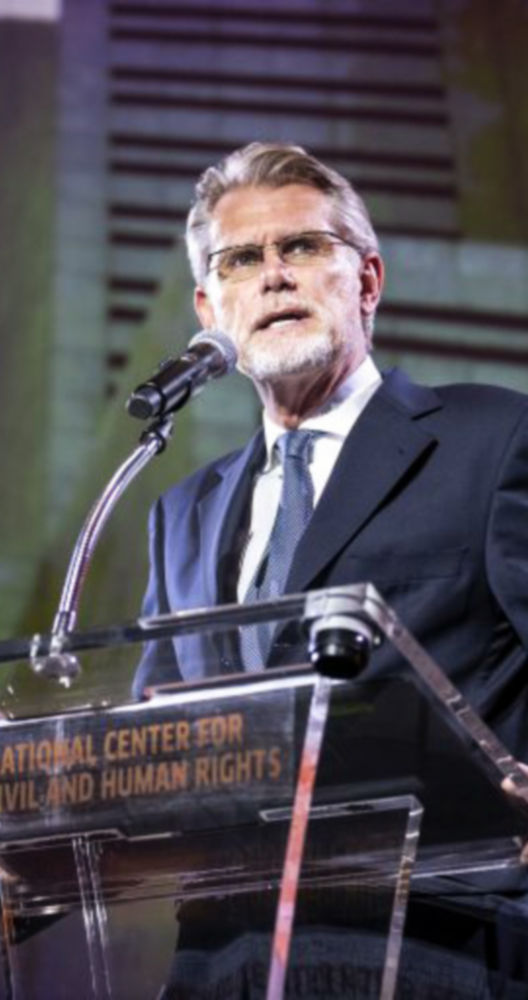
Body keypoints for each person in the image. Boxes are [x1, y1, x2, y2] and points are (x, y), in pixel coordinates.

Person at [133, 142, 528, 997]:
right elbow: (149, 757)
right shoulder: (181, 516)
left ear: (368, 281)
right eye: (240, 259)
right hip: (226, 963)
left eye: (302, 248)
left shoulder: (492, 443)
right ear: (210, 306)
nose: (272, 276)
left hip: (440, 944)